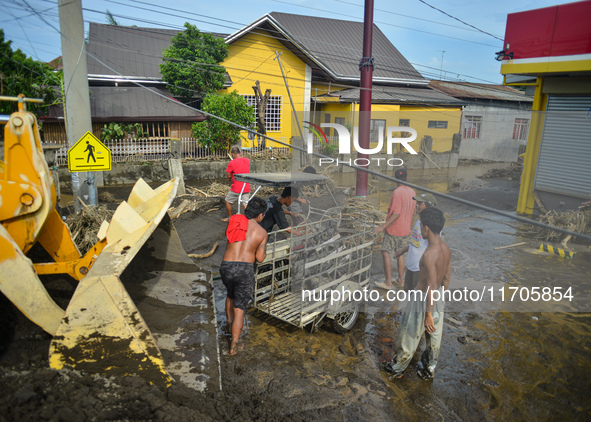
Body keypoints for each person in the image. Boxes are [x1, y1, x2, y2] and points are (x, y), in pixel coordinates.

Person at [382, 207, 451, 380]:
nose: (420, 230)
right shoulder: (446, 249)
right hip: (438, 297)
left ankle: (396, 369)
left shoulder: (429, 255)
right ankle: (428, 369)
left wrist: (427, 312)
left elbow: (429, 284)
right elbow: (446, 278)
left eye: (421, 226)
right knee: (434, 336)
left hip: (423, 300)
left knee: (409, 335)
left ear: (426, 228)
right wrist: (438, 302)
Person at [220, 196, 268, 356]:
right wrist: (262, 248)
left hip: (226, 266)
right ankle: (234, 346)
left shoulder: (234, 221)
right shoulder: (261, 232)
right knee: (239, 309)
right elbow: (260, 258)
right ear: (260, 215)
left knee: (230, 295)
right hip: (244, 269)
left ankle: (228, 324)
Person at [374, 168, 415, 290]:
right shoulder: (412, 192)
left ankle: (388, 283)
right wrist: (409, 228)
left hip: (394, 229)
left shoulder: (397, 192)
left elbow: (396, 213)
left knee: (385, 252)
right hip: (405, 228)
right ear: (407, 178)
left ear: (395, 179)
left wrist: (382, 227)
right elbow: (412, 212)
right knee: (399, 253)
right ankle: (400, 280)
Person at [395, 193, 438, 291]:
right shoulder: (419, 220)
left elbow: (434, 246)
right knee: (410, 296)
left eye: (420, 203)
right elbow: (416, 242)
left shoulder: (431, 224)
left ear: (429, 206)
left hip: (420, 269)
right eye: (417, 202)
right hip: (411, 265)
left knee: (417, 298)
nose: (416, 205)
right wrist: (402, 251)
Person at [222, 146, 250, 222]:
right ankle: (251, 218)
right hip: (246, 186)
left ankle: (230, 217)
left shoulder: (231, 163)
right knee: (245, 203)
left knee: (227, 200)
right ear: (240, 153)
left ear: (233, 155)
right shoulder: (246, 160)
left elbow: (228, 175)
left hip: (237, 187)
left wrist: (230, 178)